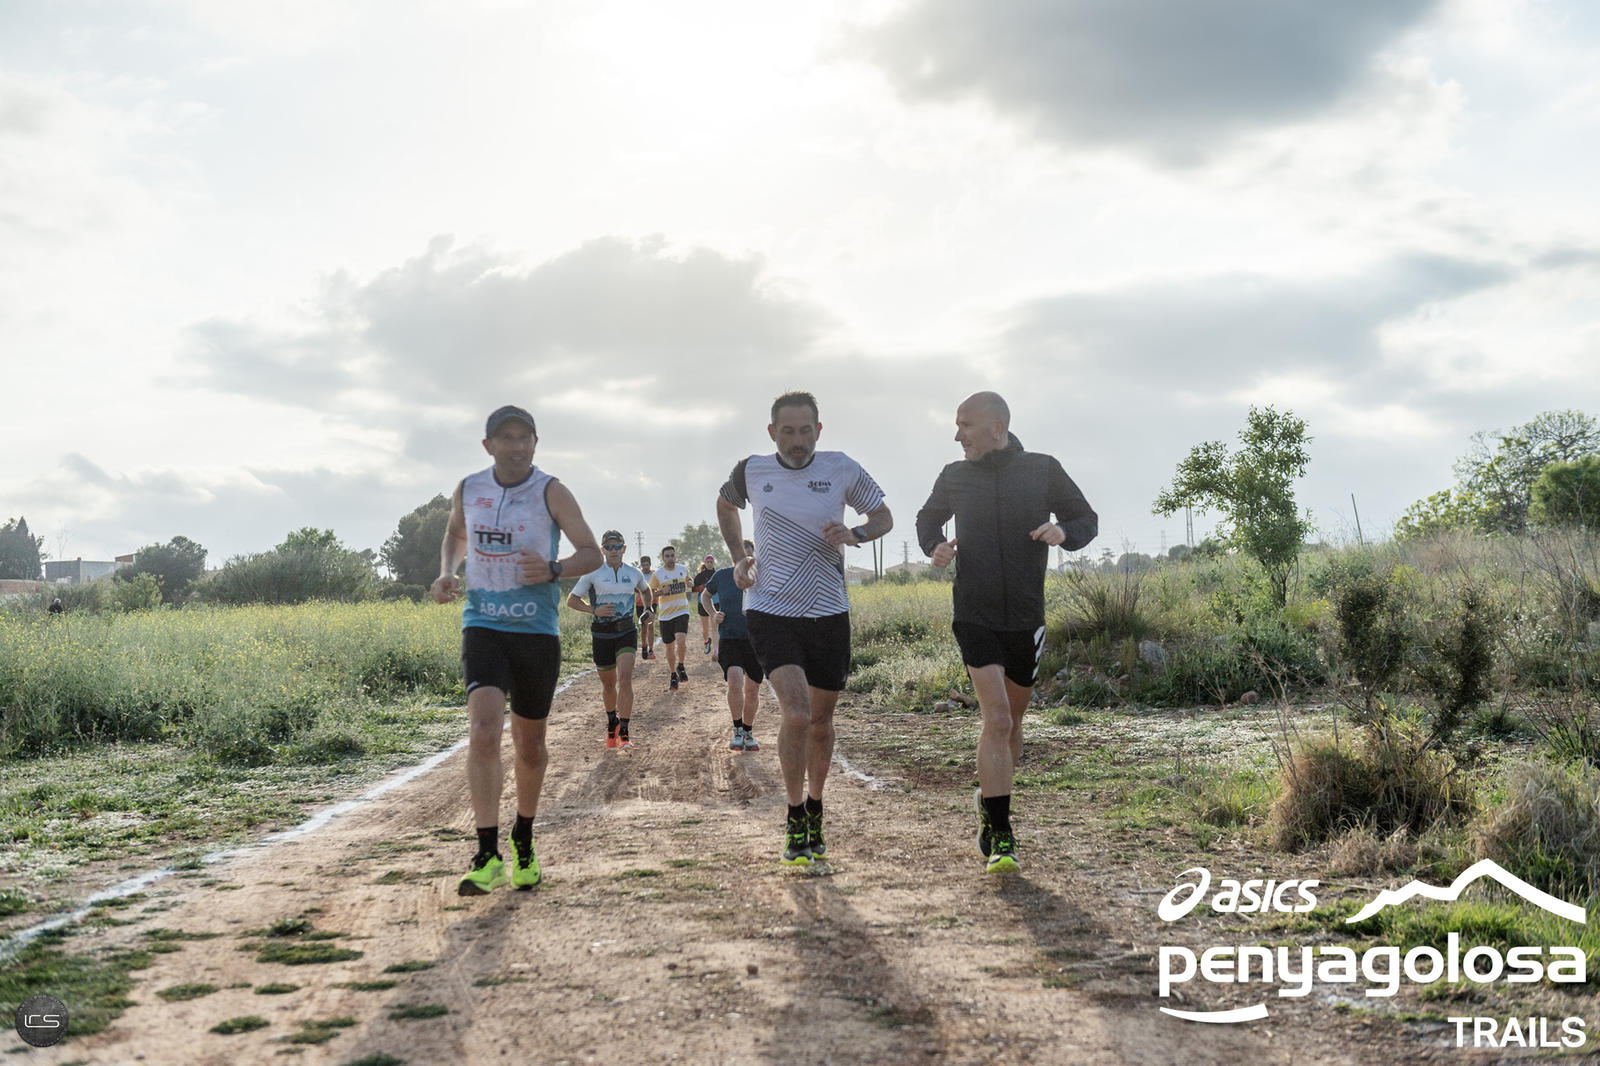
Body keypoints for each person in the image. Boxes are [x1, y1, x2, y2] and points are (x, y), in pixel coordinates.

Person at [915, 391, 1097, 873]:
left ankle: (988, 799)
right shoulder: (954, 476)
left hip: (1025, 616)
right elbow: (927, 518)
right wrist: (935, 545)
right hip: (974, 613)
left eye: (965, 425)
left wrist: (1064, 532)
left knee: (1013, 725)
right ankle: (1001, 833)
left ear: (996, 427)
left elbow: (1086, 518)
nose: (957, 435)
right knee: (995, 720)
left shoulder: (1042, 469)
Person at [716, 390, 892, 865]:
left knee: (820, 720)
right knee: (796, 714)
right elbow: (726, 505)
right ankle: (795, 815)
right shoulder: (751, 470)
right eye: (788, 431)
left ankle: (816, 804)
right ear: (772, 432)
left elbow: (883, 516)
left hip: (829, 611)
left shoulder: (841, 467)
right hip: (770, 609)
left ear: (819, 430)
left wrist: (855, 533)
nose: (797, 440)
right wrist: (738, 558)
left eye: (805, 430)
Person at [432, 405, 601, 895]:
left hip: (536, 632)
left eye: (525, 438)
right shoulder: (469, 488)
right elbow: (456, 533)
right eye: (506, 438)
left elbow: (590, 552)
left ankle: (523, 837)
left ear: (535, 443)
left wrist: (552, 569)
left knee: (530, 746)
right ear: (488, 446)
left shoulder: (552, 491)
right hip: (483, 625)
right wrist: (448, 571)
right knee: (484, 732)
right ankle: (486, 854)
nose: (517, 446)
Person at [567, 531, 650, 750]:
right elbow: (572, 601)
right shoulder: (592, 573)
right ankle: (612, 722)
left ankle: (624, 731)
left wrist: (648, 609)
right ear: (603, 550)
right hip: (601, 634)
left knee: (625, 678)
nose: (613, 551)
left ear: (624, 549)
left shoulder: (633, 573)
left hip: (626, 631)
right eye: (609, 547)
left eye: (617, 546)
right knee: (609, 684)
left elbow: (646, 590)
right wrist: (593, 610)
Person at [700, 540, 762, 752]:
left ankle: (748, 731)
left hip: (755, 640)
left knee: (752, 689)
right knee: (735, 680)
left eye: (749, 554)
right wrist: (713, 614)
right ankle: (737, 730)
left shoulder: (761, 576)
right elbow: (705, 596)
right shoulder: (722, 576)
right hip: (729, 636)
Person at [648, 545, 692, 691]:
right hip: (666, 615)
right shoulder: (658, 574)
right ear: (663, 558)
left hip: (682, 610)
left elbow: (689, 580)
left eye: (672, 555)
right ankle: (673, 674)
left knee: (681, 639)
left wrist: (690, 582)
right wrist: (661, 592)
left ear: (675, 556)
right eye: (667, 556)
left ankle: (681, 665)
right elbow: (649, 593)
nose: (670, 558)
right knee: (669, 646)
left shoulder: (682, 569)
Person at [692, 555, 717, 653]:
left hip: (716, 603)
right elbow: (693, 590)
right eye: (708, 562)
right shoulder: (700, 576)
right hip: (702, 603)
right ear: (705, 563)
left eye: (711, 562)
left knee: (715, 627)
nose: (710, 564)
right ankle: (706, 642)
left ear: (714, 563)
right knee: (705, 629)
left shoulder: (717, 574)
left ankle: (716, 650)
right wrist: (701, 587)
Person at [635, 555, 657, 660]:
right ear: (641, 565)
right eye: (643, 565)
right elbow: (634, 588)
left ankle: (651, 649)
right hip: (640, 604)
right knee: (643, 627)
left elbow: (658, 587)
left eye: (647, 565)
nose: (645, 567)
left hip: (652, 603)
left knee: (651, 625)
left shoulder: (654, 575)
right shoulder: (638, 575)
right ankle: (644, 646)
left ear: (650, 564)